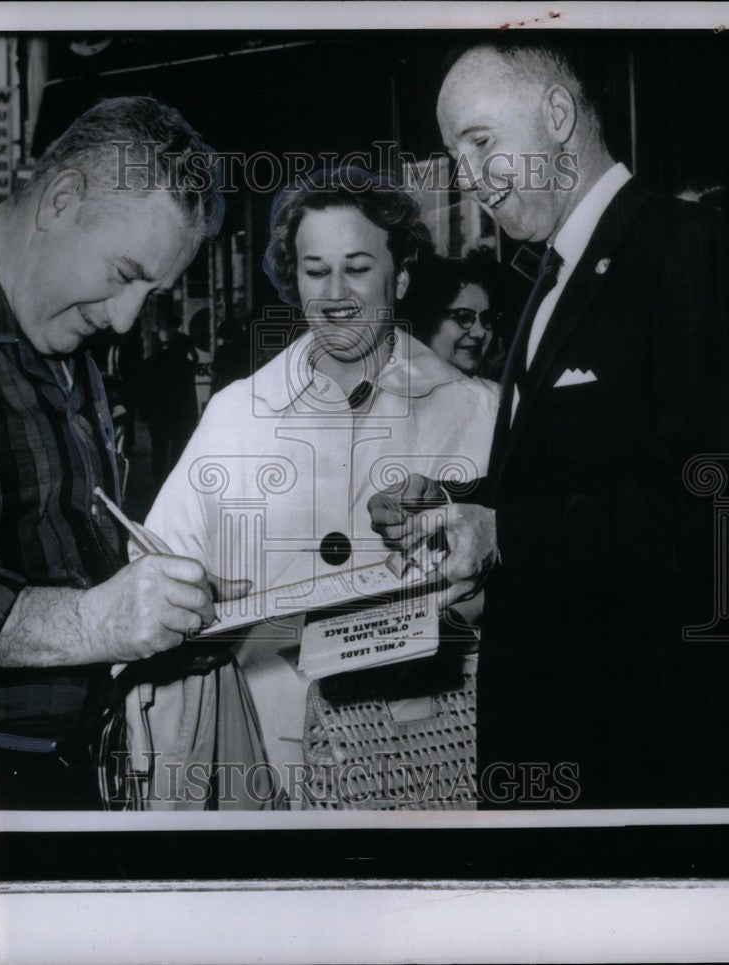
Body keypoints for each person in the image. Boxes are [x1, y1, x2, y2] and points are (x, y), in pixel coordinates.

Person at [368, 39, 729, 808]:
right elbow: (573, 475)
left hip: (640, 747)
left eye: (481, 142)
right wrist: (456, 502)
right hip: (551, 734)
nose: (467, 180)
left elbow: (720, 515)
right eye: (454, 157)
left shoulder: (691, 250)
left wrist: (506, 535)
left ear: (558, 115)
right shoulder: (548, 273)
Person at [0, 96, 237, 810]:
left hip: (54, 772)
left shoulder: (65, 331)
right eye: (123, 273)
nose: (125, 317)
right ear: (59, 200)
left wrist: (161, 612)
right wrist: (89, 622)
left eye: (151, 295)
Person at [110, 166, 499, 809]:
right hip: (269, 754)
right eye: (316, 270)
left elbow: (518, 573)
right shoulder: (238, 412)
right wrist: (189, 601)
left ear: (399, 275)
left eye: (357, 267)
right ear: (295, 281)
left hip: (427, 753)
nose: (336, 292)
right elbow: (155, 563)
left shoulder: (476, 410)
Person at [398, 246, 504, 379]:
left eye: (487, 318)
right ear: (428, 320)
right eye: (464, 317)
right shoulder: (397, 391)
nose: (480, 332)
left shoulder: (494, 394)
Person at [138, 309, 201, 485]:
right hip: (180, 414)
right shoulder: (186, 367)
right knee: (179, 447)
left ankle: (159, 482)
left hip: (159, 414)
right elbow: (190, 393)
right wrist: (193, 415)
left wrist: (145, 411)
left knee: (159, 448)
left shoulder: (151, 363)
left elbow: (146, 390)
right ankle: (174, 480)